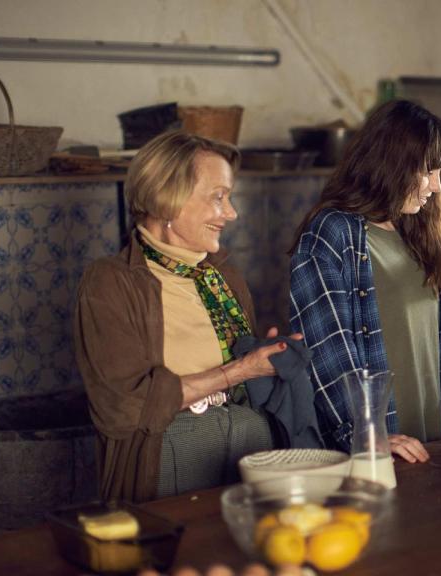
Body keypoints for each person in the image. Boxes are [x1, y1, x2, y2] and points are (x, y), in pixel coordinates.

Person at [288, 99, 441, 464]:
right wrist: (367, 434)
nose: (435, 185)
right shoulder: (333, 232)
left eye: (440, 173)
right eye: (428, 171)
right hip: (375, 449)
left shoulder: (415, 230)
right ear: (392, 164)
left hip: (430, 441)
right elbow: (327, 351)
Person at [75, 131, 300, 502]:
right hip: (170, 458)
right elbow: (122, 407)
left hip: (250, 445)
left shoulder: (224, 278)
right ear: (168, 197)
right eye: (218, 197)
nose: (231, 213)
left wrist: (267, 358)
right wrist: (239, 371)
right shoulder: (110, 282)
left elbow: (247, 382)